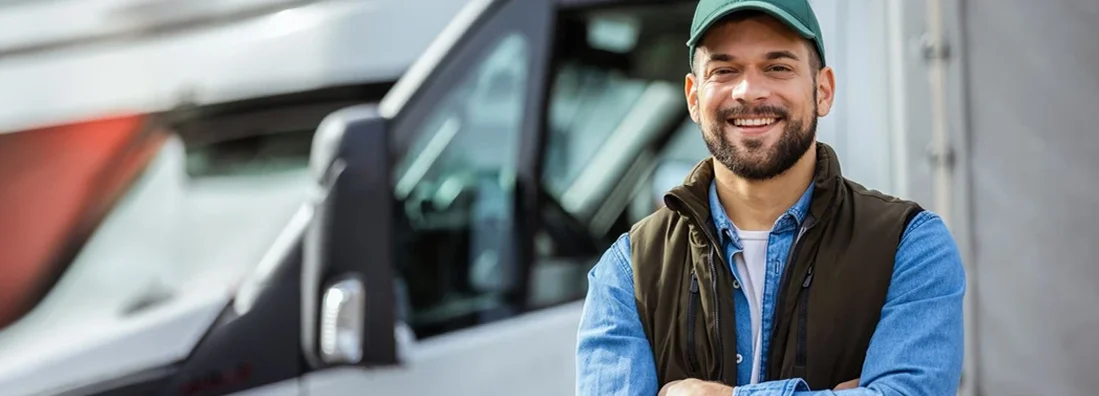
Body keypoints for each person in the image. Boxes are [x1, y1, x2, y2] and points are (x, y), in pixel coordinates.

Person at [574, 0, 966, 395]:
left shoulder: (909, 246)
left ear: (823, 90)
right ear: (694, 97)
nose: (749, 91)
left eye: (778, 67)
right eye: (724, 70)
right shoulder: (629, 271)